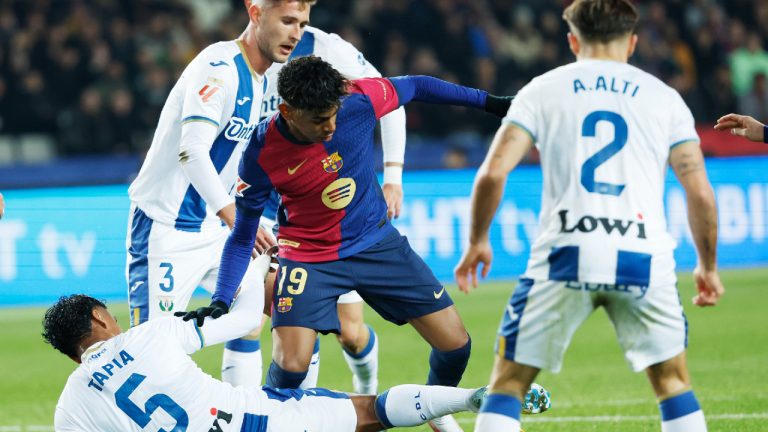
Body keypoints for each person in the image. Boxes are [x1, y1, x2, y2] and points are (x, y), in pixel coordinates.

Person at [182, 56, 516, 432]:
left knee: (456, 345)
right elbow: (243, 234)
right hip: (308, 257)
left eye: (333, 116)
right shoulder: (261, 151)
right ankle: (270, 423)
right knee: (291, 366)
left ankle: (434, 405)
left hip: (376, 243)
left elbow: (418, 85)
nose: (330, 127)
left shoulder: (358, 100)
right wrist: (221, 299)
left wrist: (494, 104)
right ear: (287, 111)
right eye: (318, 120)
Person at [453, 1, 724, 431]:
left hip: (565, 252)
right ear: (632, 43)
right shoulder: (665, 99)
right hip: (642, 256)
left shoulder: (543, 90)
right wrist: (707, 266)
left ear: (573, 41)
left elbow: (492, 174)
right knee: (673, 383)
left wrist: (477, 240)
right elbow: (701, 194)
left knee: (508, 385)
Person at [43, 253, 490, 432]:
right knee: (370, 411)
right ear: (99, 318)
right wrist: (256, 269)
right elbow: (242, 320)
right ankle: (471, 398)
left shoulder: (70, 405)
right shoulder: (149, 334)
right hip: (254, 421)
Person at [124, 0, 314, 390]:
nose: (296, 34)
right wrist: (235, 216)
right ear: (255, 13)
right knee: (149, 363)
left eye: (302, 24)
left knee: (285, 305)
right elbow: (191, 151)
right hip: (166, 230)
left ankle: (268, 409)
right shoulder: (219, 67)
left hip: (217, 229)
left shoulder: (261, 80)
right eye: (287, 21)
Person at [239, 15, 411, 396]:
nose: (294, 24)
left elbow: (392, 99)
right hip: (267, 209)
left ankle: (366, 388)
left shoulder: (327, 49)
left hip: (323, 210)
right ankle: (265, 414)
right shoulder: (237, 57)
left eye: (298, 14)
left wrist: (393, 176)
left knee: (350, 332)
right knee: (254, 319)